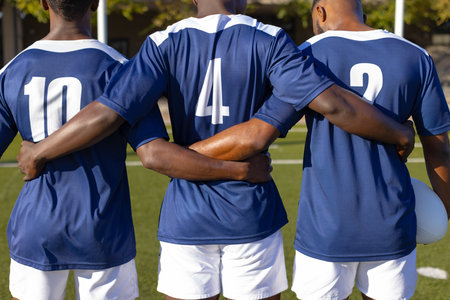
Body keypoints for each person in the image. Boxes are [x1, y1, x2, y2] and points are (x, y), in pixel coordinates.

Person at [17, 0, 416, 299]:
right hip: (252, 214)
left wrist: (38, 152)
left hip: (186, 216)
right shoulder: (272, 39)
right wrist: (399, 133)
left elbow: (124, 130)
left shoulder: (161, 43)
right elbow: (324, 108)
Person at [1, 1, 272, 299]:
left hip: (34, 226)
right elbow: (153, 151)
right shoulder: (120, 68)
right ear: (95, 3)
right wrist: (239, 170)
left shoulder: (13, 70)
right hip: (102, 229)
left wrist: (37, 152)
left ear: (42, 3)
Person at [190, 0, 450, 299]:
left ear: (320, 13)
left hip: (325, 228)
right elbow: (439, 150)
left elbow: (260, 132)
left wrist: (183, 155)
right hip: (392, 223)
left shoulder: (304, 56)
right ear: (361, 12)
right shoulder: (415, 55)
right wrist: (442, 212)